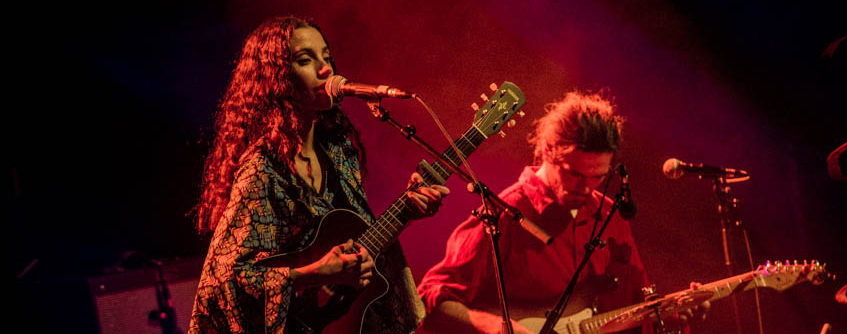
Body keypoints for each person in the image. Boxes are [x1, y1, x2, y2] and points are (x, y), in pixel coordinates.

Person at [188, 16, 449, 334]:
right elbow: (226, 282)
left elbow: (359, 242)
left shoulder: (339, 152)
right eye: (305, 60)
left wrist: (411, 209)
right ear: (276, 78)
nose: (326, 69)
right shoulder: (263, 169)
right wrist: (315, 273)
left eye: (326, 57)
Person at [417, 91, 707, 334]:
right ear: (547, 151)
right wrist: (497, 327)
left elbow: (635, 303)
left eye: (597, 177)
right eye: (574, 174)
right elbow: (431, 296)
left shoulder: (609, 215)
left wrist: (672, 314)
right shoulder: (504, 213)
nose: (586, 187)